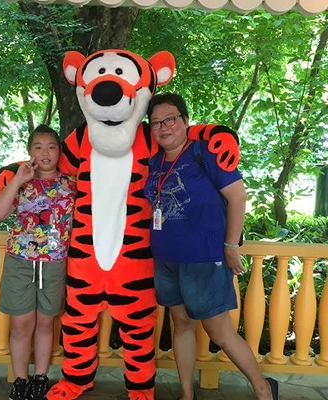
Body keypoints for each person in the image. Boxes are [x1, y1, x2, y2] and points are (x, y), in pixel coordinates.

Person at [144, 93, 279, 400]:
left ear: (185, 121)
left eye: (170, 119)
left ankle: (264, 389)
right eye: (156, 123)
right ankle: (187, 393)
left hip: (204, 257)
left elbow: (238, 197)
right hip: (166, 258)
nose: (163, 127)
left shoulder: (205, 153)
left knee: (219, 331)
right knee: (181, 325)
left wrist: (231, 244)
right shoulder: (154, 162)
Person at [0, 125, 76, 400]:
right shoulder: (18, 179)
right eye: (38, 147)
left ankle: (40, 378)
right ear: (30, 151)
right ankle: (20, 380)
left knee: (46, 324)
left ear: (59, 151)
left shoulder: (72, 184)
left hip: (54, 264)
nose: (45, 153)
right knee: (20, 325)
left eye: (51, 147)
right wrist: (18, 180)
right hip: (20, 262)